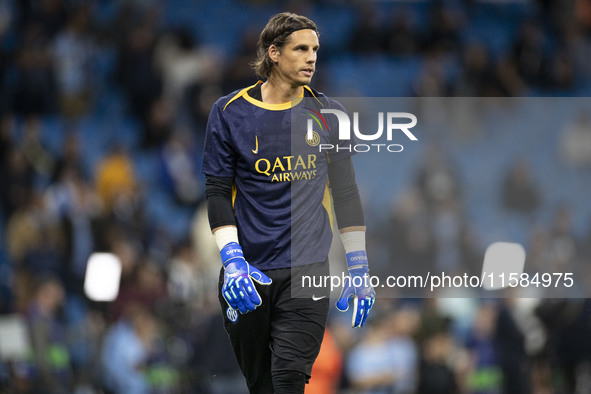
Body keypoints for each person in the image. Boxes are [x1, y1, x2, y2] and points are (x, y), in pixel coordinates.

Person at [201, 12, 376, 394]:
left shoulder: (329, 114)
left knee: (290, 379)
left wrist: (358, 264)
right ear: (274, 53)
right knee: (262, 386)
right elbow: (217, 192)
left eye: (315, 49)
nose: (312, 57)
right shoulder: (229, 113)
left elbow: (345, 193)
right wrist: (232, 260)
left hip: (308, 269)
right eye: (301, 49)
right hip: (249, 274)